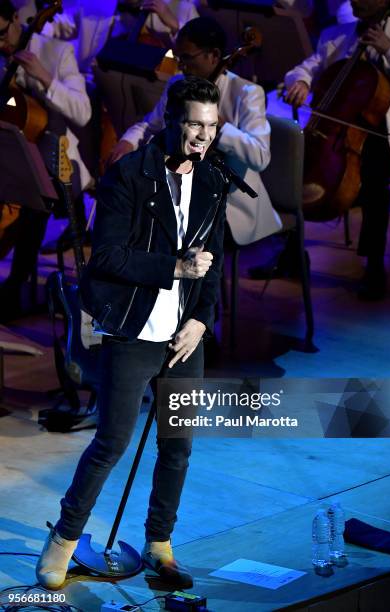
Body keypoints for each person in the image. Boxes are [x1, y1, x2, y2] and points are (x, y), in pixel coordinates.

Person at [36, 76, 226, 590]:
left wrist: (201, 320)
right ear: (170, 121)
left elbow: (215, 263)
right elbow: (110, 258)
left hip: (184, 337)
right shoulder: (130, 176)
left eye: (210, 126)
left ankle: (160, 544)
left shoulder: (213, 181)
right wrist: (174, 268)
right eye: (193, 124)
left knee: (177, 445)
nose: (203, 137)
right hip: (134, 329)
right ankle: (63, 542)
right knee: (112, 442)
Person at [253, 0, 390, 299]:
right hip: (340, 132)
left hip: (388, 136)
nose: (356, 1)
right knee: (294, 167)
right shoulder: (337, 33)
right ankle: (292, 256)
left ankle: (375, 266)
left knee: (374, 181)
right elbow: (307, 67)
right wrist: (301, 81)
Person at [109, 16, 282, 247]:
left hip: (228, 203)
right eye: (178, 58)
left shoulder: (247, 93)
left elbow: (260, 156)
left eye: (188, 58)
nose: (181, 66)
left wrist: (220, 127)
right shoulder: (178, 84)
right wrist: (128, 142)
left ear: (214, 55)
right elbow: (151, 125)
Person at [0, 0, 92, 318]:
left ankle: (15, 286)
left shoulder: (56, 52)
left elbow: (83, 111)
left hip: (57, 156)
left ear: (15, 19)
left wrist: (44, 77)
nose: (1, 44)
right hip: (11, 153)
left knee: (32, 200)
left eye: (1, 33)